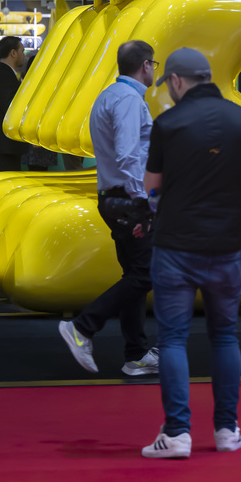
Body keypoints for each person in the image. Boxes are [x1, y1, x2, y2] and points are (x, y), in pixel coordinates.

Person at [141, 48, 241, 459]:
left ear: (175, 81)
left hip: (175, 244)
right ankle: (227, 430)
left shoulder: (168, 123)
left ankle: (176, 435)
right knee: (224, 335)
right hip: (226, 245)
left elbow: (150, 186)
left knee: (172, 339)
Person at [57, 40, 160, 378]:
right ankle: (83, 327)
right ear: (145, 65)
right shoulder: (130, 101)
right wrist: (141, 202)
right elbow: (129, 155)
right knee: (144, 274)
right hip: (128, 198)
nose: (155, 70)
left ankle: (136, 354)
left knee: (134, 273)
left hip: (112, 195)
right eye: (154, 64)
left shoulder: (107, 96)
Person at [0, 35, 27, 171]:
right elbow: (11, 107)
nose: (24, 56)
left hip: (7, 146)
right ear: (13, 53)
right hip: (6, 146)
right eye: (22, 51)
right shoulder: (4, 75)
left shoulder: (4, 73)